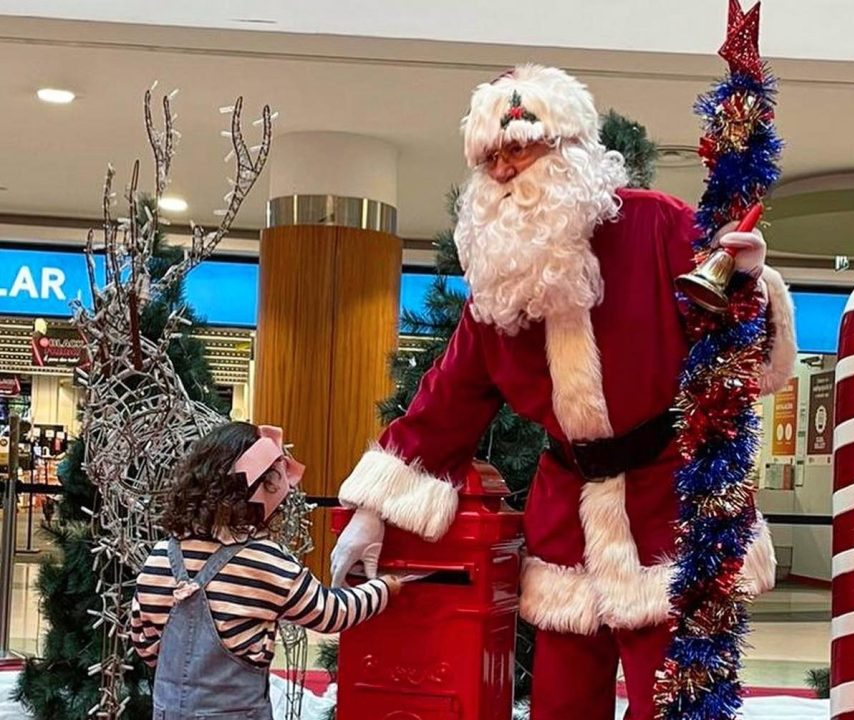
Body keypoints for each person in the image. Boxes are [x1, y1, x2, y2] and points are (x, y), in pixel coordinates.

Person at [330, 64, 797, 720]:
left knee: (673, 704)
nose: (502, 171)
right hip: (567, 522)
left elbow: (740, 362)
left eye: (518, 147)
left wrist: (749, 283)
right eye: (490, 155)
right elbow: (447, 404)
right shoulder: (496, 281)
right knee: (559, 705)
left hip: (670, 504)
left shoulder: (656, 226)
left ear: (569, 149)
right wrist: (373, 511)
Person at [131, 422, 401, 720]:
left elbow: (144, 642)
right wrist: (384, 588)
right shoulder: (263, 559)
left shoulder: (159, 557)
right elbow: (329, 613)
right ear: (266, 488)